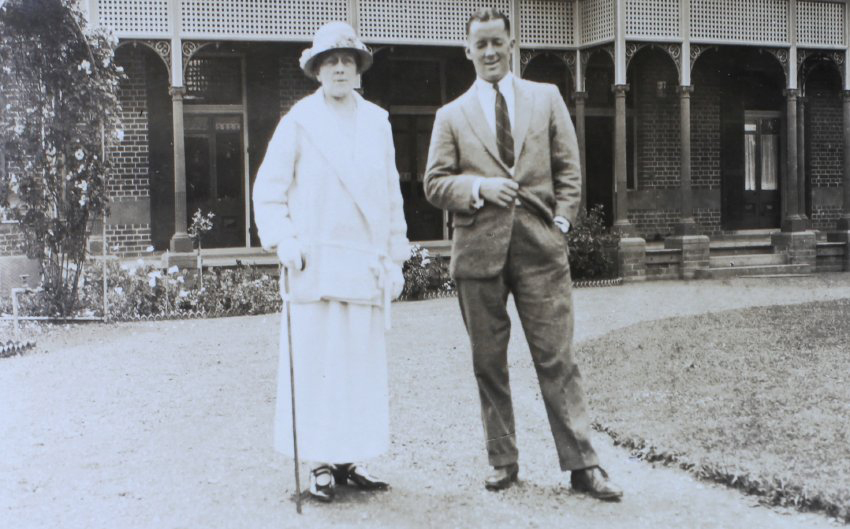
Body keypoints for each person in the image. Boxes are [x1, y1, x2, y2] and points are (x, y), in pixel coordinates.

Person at [423, 8, 622, 501]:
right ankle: (503, 460)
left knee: (558, 359)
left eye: (498, 42)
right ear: (467, 51)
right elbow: (434, 183)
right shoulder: (451, 115)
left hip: (541, 251)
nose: (490, 52)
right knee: (488, 362)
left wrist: (562, 222)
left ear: (512, 45)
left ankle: (583, 464)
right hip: (478, 254)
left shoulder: (546, 98)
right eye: (480, 45)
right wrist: (478, 187)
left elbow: (569, 168)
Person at [252, 21, 409, 503]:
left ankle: (350, 458)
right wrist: (285, 240)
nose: (340, 68)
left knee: (357, 368)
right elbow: (268, 191)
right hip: (315, 267)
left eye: (347, 60)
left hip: (363, 267)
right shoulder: (299, 121)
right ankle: (319, 461)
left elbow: (391, 196)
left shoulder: (378, 122)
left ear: (358, 68)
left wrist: (396, 257)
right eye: (331, 61)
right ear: (317, 69)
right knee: (318, 367)